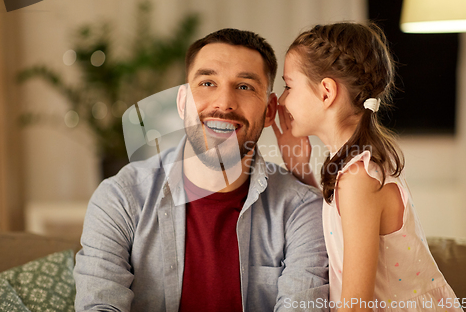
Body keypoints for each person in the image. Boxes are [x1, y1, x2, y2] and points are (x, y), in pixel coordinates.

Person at [74, 28, 329, 312]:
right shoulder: (120, 198)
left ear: (269, 111)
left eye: (244, 86)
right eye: (207, 83)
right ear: (182, 103)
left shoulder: (301, 210)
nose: (223, 103)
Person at [273, 22, 462, 311]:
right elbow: (335, 228)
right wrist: (300, 168)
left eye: (288, 86)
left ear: (326, 92)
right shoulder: (355, 166)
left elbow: (355, 305)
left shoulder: (358, 177)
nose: (283, 100)